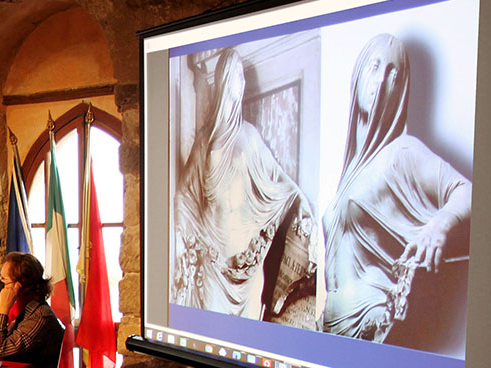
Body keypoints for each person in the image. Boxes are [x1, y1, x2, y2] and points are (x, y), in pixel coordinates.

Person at [322, 34, 472, 342]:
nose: (383, 80)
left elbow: (467, 191)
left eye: (395, 73)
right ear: (358, 75)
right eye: (375, 66)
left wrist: (440, 224)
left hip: (371, 324)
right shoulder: (352, 170)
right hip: (332, 331)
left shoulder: (403, 152)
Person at [171, 48, 315, 321]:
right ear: (224, 80)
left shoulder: (250, 137)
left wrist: (300, 199)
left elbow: (279, 179)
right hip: (214, 263)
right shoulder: (206, 141)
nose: (241, 82)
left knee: (246, 332)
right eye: (236, 75)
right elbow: (185, 194)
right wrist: (184, 237)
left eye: (242, 76)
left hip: (247, 267)